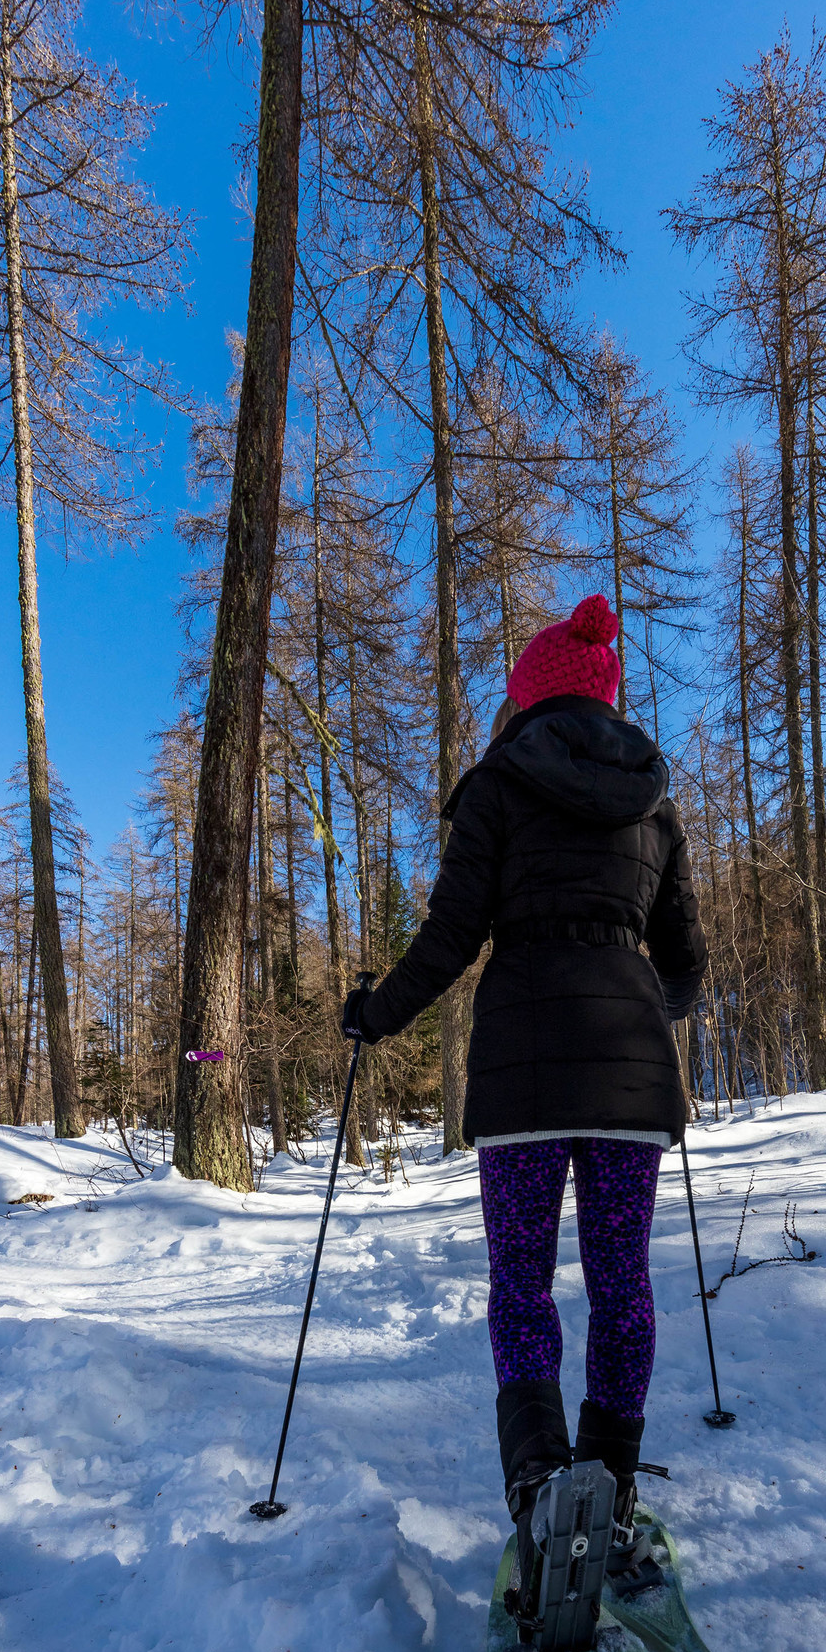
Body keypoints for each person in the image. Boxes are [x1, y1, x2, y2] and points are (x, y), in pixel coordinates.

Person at [341, 592, 708, 1581]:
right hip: (630, 1077)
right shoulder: (654, 798)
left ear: (529, 696)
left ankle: (541, 1484)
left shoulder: (498, 784)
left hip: (520, 1079)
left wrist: (375, 1013)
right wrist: (646, 1002)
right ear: (603, 697)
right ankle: (609, 1480)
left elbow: (451, 939)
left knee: (520, 1283)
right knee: (623, 1286)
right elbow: (686, 965)